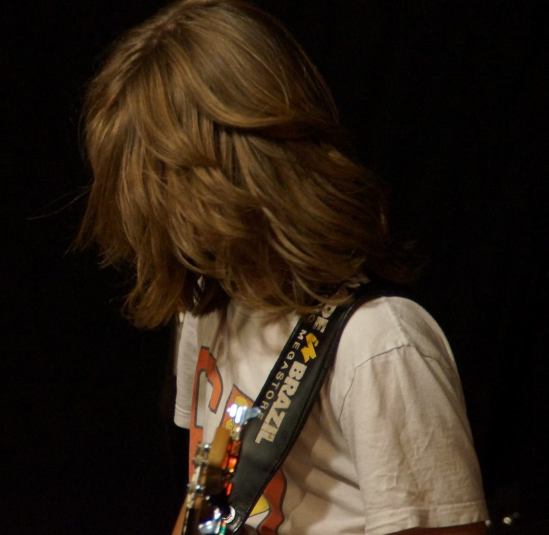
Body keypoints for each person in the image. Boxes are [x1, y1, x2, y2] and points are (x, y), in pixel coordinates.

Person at [75, 0, 488, 533]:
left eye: (159, 183)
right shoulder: (205, 308)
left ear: (236, 170)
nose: (143, 218)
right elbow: (207, 503)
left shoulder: (380, 347)